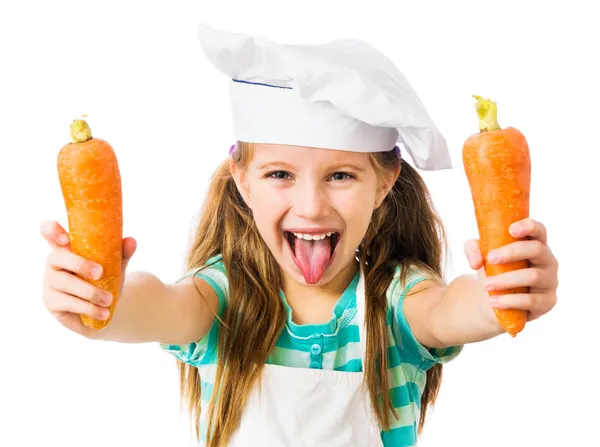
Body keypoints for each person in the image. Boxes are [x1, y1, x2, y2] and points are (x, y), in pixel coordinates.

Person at [40, 24, 559, 447]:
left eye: (341, 175)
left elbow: (451, 310)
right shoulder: (218, 300)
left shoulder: (396, 302)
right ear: (241, 179)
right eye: (279, 174)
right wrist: (98, 300)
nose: (311, 207)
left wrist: (502, 289)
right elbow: (154, 303)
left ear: (384, 183)